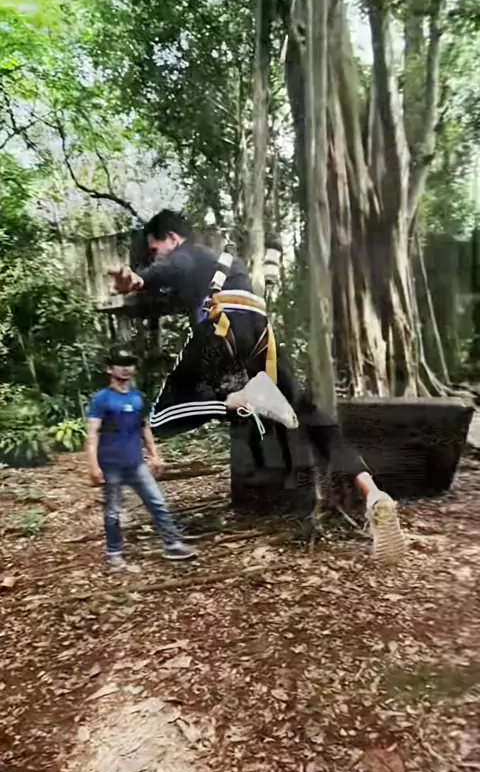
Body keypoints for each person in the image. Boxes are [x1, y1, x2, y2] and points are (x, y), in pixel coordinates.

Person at [109, 210, 405, 562]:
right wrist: (138, 296)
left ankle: (242, 398)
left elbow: (172, 269)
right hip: (260, 332)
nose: (156, 256)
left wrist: (138, 279)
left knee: (164, 415)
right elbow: (169, 298)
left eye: (155, 249)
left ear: (172, 238)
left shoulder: (188, 254)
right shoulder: (223, 264)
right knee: (310, 416)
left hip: (221, 326)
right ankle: (373, 492)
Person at [86, 345, 196, 572]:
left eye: (129, 364)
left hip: (136, 463)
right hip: (111, 465)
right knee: (113, 512)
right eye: (121, 364)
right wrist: (93, 466)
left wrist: (155, 455)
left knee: (157, 503)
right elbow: (92, 433)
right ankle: (114, 555)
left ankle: (172, 545)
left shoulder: (138, 398)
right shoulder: (102, 399)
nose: (126, 369)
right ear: (110, 369)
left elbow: (144, 428)